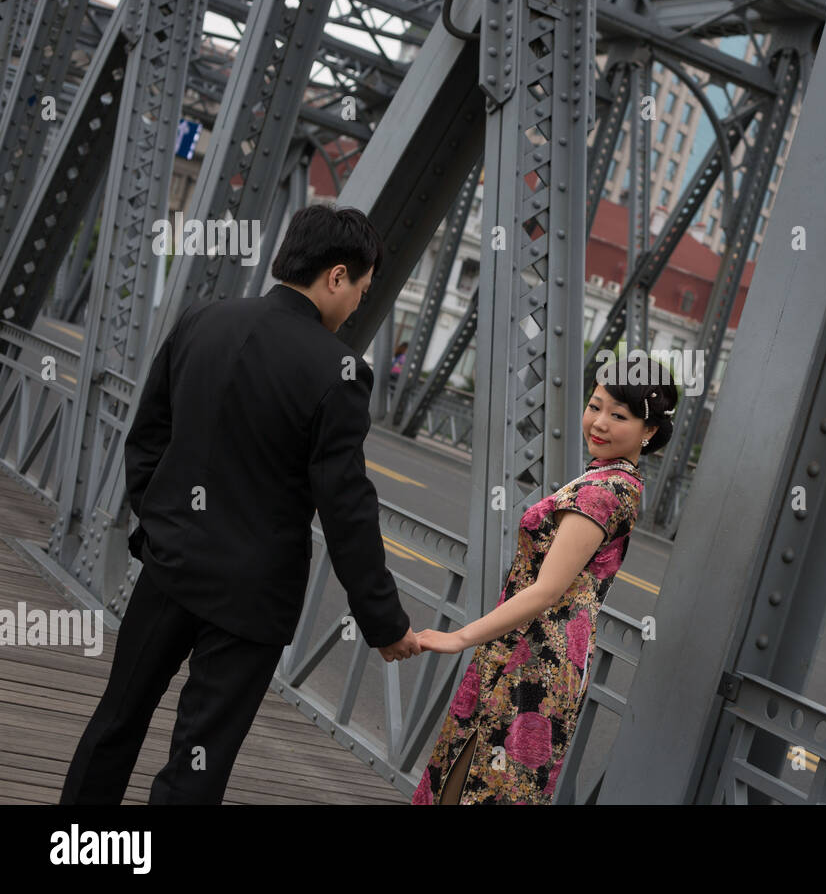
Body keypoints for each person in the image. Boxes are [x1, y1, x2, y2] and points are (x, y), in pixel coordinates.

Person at [60, 204, 424, 805]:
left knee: (117, 720)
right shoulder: (339, 372)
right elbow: (347, 509)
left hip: (170, 568)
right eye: (362, 286)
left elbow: (147, 435)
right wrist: (384, 622)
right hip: (251, 599)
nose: (360, 301)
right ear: (336, 277)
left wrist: (161, 527)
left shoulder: (204, 319)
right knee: (197, 759)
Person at [410, 373, 678, 804]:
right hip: (534, 651)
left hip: (533, 659)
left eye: (619, 415)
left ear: (648, 432)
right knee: (472, 782)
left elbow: (547, 590)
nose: (600, 423)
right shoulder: (611, 481)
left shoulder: (603, 493)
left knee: (475, 785)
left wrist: (458, 637)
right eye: (595, 406)